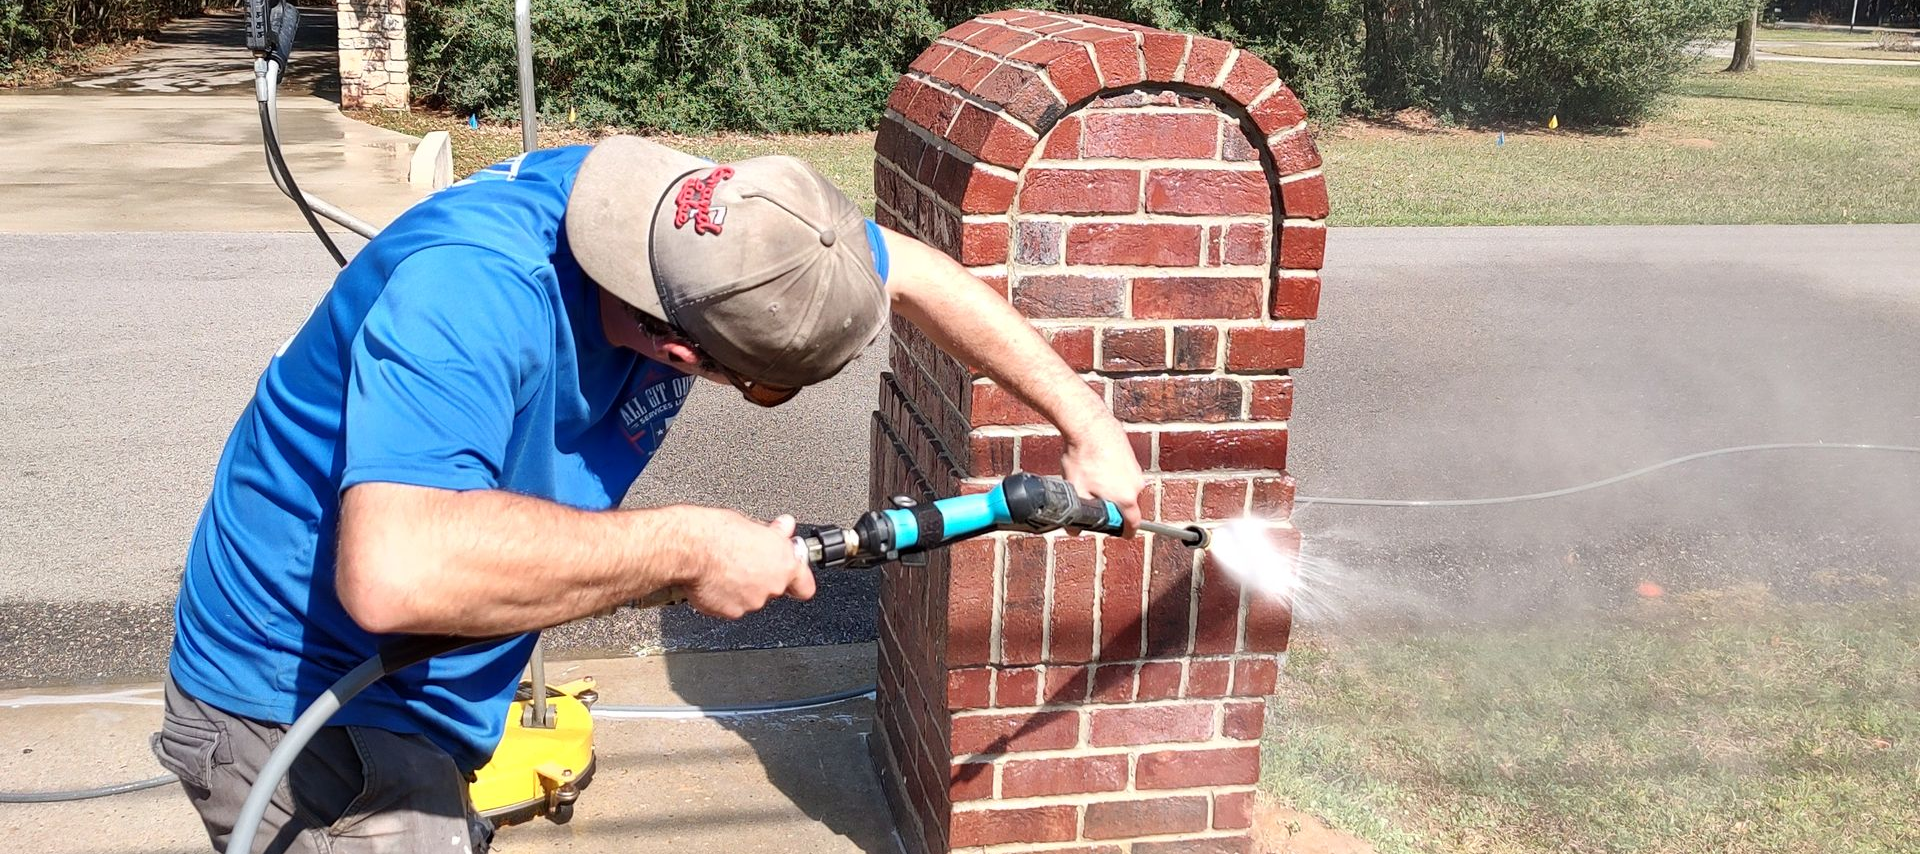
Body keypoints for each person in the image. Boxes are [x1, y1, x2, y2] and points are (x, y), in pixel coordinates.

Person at [155, 135, 1145, 853]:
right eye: (763, 384)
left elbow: (918, 274)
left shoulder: (717, 233)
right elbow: (397, 570)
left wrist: (1086, 423)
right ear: (684, 348)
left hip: (431, 682)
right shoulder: (470, 295)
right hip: (295, 693)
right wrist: (689, 549)